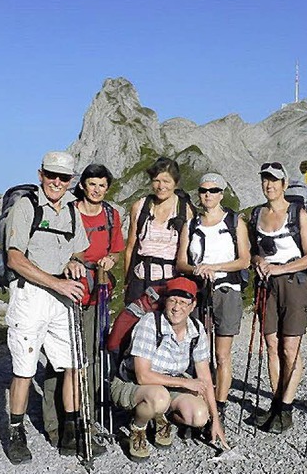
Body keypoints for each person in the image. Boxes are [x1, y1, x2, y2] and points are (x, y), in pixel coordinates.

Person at [4, 152, 90, 465]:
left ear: (71, 181)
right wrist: (57, 284)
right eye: (51, 175)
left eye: (64, 177)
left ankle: (70, 429)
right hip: (31, 297)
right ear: (41, 174)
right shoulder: (26, 206)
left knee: (72, 364)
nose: (57, 182)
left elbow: (79, 249)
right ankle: (16, 432)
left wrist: (73, 262)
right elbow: (15, 258)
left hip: (61, 297)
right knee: (24, 369)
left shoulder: (71, 209)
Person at [42, 163, 125, 450]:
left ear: (107, 188)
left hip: (96, 293)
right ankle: (54, 424)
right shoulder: (68, 211)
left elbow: (116, 248)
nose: (97, 189)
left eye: (102, 185)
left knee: (86, 356)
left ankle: (82, 420)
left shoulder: (112, 215)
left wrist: (112, 260)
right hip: (66, 290)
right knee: (59, 358)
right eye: (92, 184)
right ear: (83, 185)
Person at [110, 277, 229, 462]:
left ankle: (160, 416)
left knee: (198, 417)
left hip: (169, 383)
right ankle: (138, 428)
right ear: (165, 300)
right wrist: (185, 382)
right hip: (131, 382)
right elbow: (142, 375)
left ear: (192, 305)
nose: (176, 307)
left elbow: (205, 378)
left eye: (183, 302)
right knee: (159, 397)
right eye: (172, 300)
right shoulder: (150, 323)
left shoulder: (197, 330)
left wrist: (215, 420)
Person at [248, 162, 307, 434]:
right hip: (266, 285)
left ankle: (286, 409)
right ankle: (277, 404)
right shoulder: (257, 214)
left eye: (274, 180)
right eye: (265, 180)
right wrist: (258, 262)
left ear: (284, 184)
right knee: (272, 345)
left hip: (292, 283)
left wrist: (280, 268)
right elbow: (254, 250)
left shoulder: (297, 213)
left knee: (290, 348)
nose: (269, 185)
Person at [176, 173, 251, 425]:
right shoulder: (191, 225)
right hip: (199, 291)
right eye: (203, 190)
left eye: (213, 190)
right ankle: (202, 402)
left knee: (222, 355)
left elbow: (244, 260)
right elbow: (181, 262)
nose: (207, 194)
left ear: (222, 193)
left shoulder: (234, 222)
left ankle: (219, 405)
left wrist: (214, 266)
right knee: (199, 352)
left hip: (227, 291)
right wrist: (196, 269)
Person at [124, 157, 194, 304]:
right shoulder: (139, 207)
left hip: (170, 281)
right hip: (139, 280)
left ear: (176, 183)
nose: (161, 186)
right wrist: (127, 282)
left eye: (166, 181)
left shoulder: (184, 211)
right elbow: (130, 247)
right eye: (156, 180)